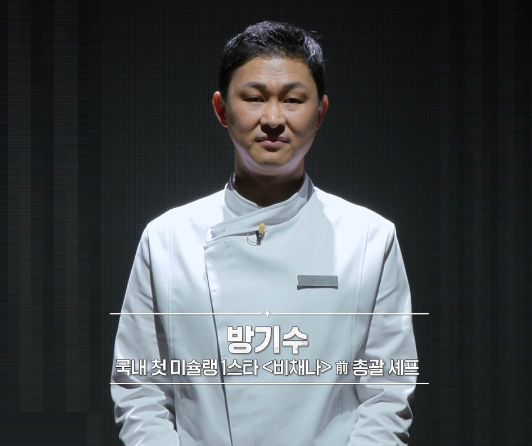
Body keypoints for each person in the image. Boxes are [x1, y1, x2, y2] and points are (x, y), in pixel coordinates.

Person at [111, 21, 417, 445]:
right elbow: (139, 389)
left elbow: (387, 392)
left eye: (293, 99)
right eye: (254, 98)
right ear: (222, 109)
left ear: (320, 112)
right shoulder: (167, 239)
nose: (273, 119)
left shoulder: (369, 238)